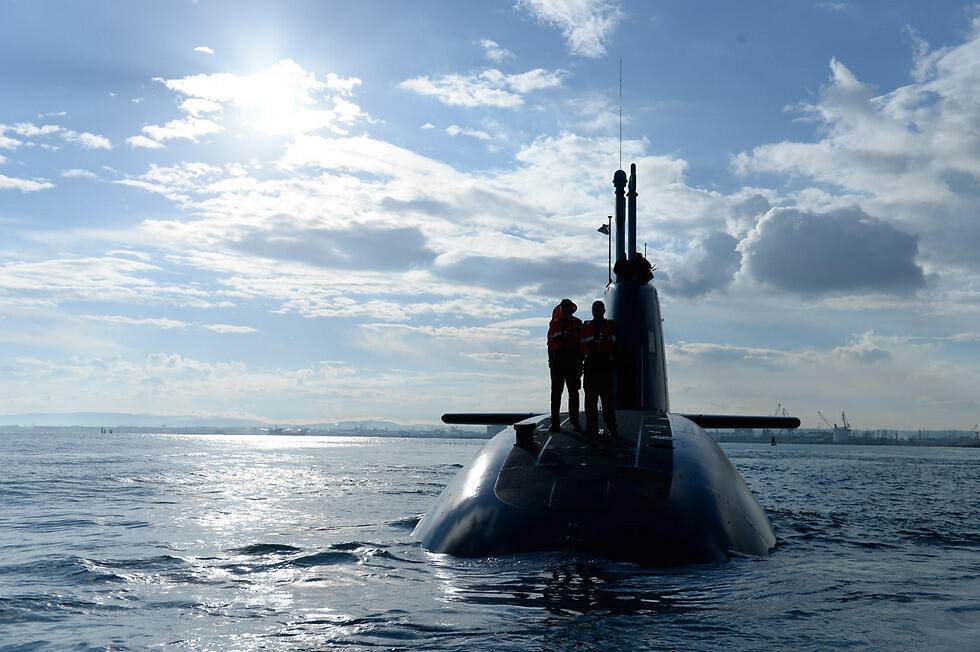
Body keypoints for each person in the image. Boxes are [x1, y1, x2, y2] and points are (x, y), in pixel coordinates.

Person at [580, 300, 617, 437]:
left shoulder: (611, 325)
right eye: (594, 310)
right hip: (591, 365)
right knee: (590, 400)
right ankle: (591, 428)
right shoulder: (586, 326)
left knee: (607, 401)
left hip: (604, 365)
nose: (596, 312)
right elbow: (581, 345)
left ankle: (612, 428)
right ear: (592, 311)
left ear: (603, 311)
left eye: (599, 310)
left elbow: (616, 345)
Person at [547, 298, 583, 432]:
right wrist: (551, 362)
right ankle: (555, 423)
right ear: (561, 309)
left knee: (573, 393)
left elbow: (581, 345)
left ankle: (575, 421)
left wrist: (580, 364)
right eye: (564, 308)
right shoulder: (554, 324)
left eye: (568, 308)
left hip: (572, 363)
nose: (566, 310)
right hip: (558, 363)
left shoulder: (577, 323)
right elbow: (550, 344)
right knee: (556, 394)